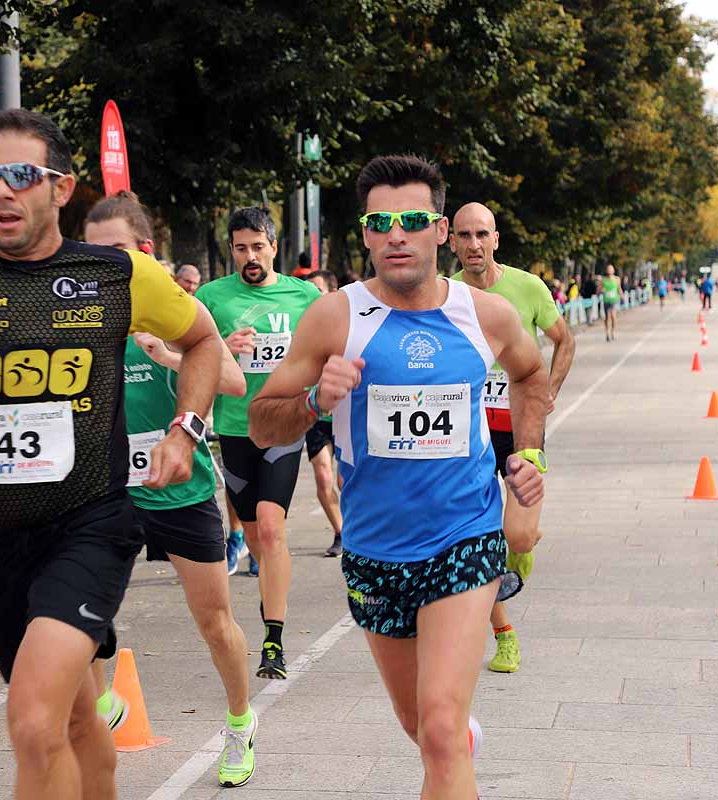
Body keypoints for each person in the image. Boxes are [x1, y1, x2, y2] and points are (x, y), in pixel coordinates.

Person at [0, 109, 223, 800]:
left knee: (32, 722)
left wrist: (186, 429)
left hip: (88, 526)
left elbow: (203, 340)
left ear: (61, 189)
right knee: (74, 720)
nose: (2, 191)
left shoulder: (116, 274)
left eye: (22, 176)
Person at [248, 155, 548, 799]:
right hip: (375, 550)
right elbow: (261, 425)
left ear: (440, 230)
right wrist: (312, 403)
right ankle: (455, 746)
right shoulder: (335, 317)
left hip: (464, 538)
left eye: (413, 219)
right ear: (364, 233)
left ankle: (452, 744)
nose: (397, 234)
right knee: (420, 724)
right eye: (381, 221)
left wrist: (527, 454)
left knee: (438, 731)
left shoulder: (485, 314)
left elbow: (530, 376)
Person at [83, 191, 258, 788]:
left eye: (114, 252)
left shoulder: (172, 309)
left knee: (215, 623)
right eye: (92, 250)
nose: (100, 262)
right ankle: (103, 706)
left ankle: (240, 722)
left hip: (180, 492)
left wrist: (165, 352)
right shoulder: (78, 311)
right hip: (107, 491)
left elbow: (232, 382)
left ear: (143, 252)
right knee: (77, 613)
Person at [195, 207, 321, 680]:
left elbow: (327, 344)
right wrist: (223, 345)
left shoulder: (304, 295)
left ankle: (274, 639)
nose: (250, 256)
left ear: (273, 245)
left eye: (258, 246)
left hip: (283, 426)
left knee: (271, 529)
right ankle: (268, 598)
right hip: (233, 428)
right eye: (241, 248)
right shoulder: (211, 297)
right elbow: (194, 350)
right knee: (252, 533)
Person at [448, 202, 574, 673]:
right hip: (467, 435)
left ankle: (515, 553)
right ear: (451, 240)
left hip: (522, 428)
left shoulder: (527, 287)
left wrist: (549, 391)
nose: (474, 244)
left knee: (518, 535)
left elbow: (564, 339)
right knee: (478, 547)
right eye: (465, 235)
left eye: (482, 234)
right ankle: (504, 637)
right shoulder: (444, 294)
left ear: (496, 239)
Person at [302, 270, 344, 557]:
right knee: (323, 476)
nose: (310, 296)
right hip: (315, 415)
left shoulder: (348, 325)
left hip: (344, 415)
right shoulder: (302, 328)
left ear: (332, 291)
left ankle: (359, 529)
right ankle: (341, 532)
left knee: (346, 481)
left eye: (316, 289)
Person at [601, 264, 621, 341]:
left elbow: (619, 288)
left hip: (614, 300)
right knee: (607, 317)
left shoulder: (617, 279)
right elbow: (599, 289)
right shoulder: (603, 279)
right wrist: (601, 290)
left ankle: (613, 332)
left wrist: (622, 296)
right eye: (608, 269)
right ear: (607, 271)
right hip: (606, 300)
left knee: (613, 316)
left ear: (613, 271)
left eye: (611, 269)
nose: (609, 271)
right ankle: (607, 333)